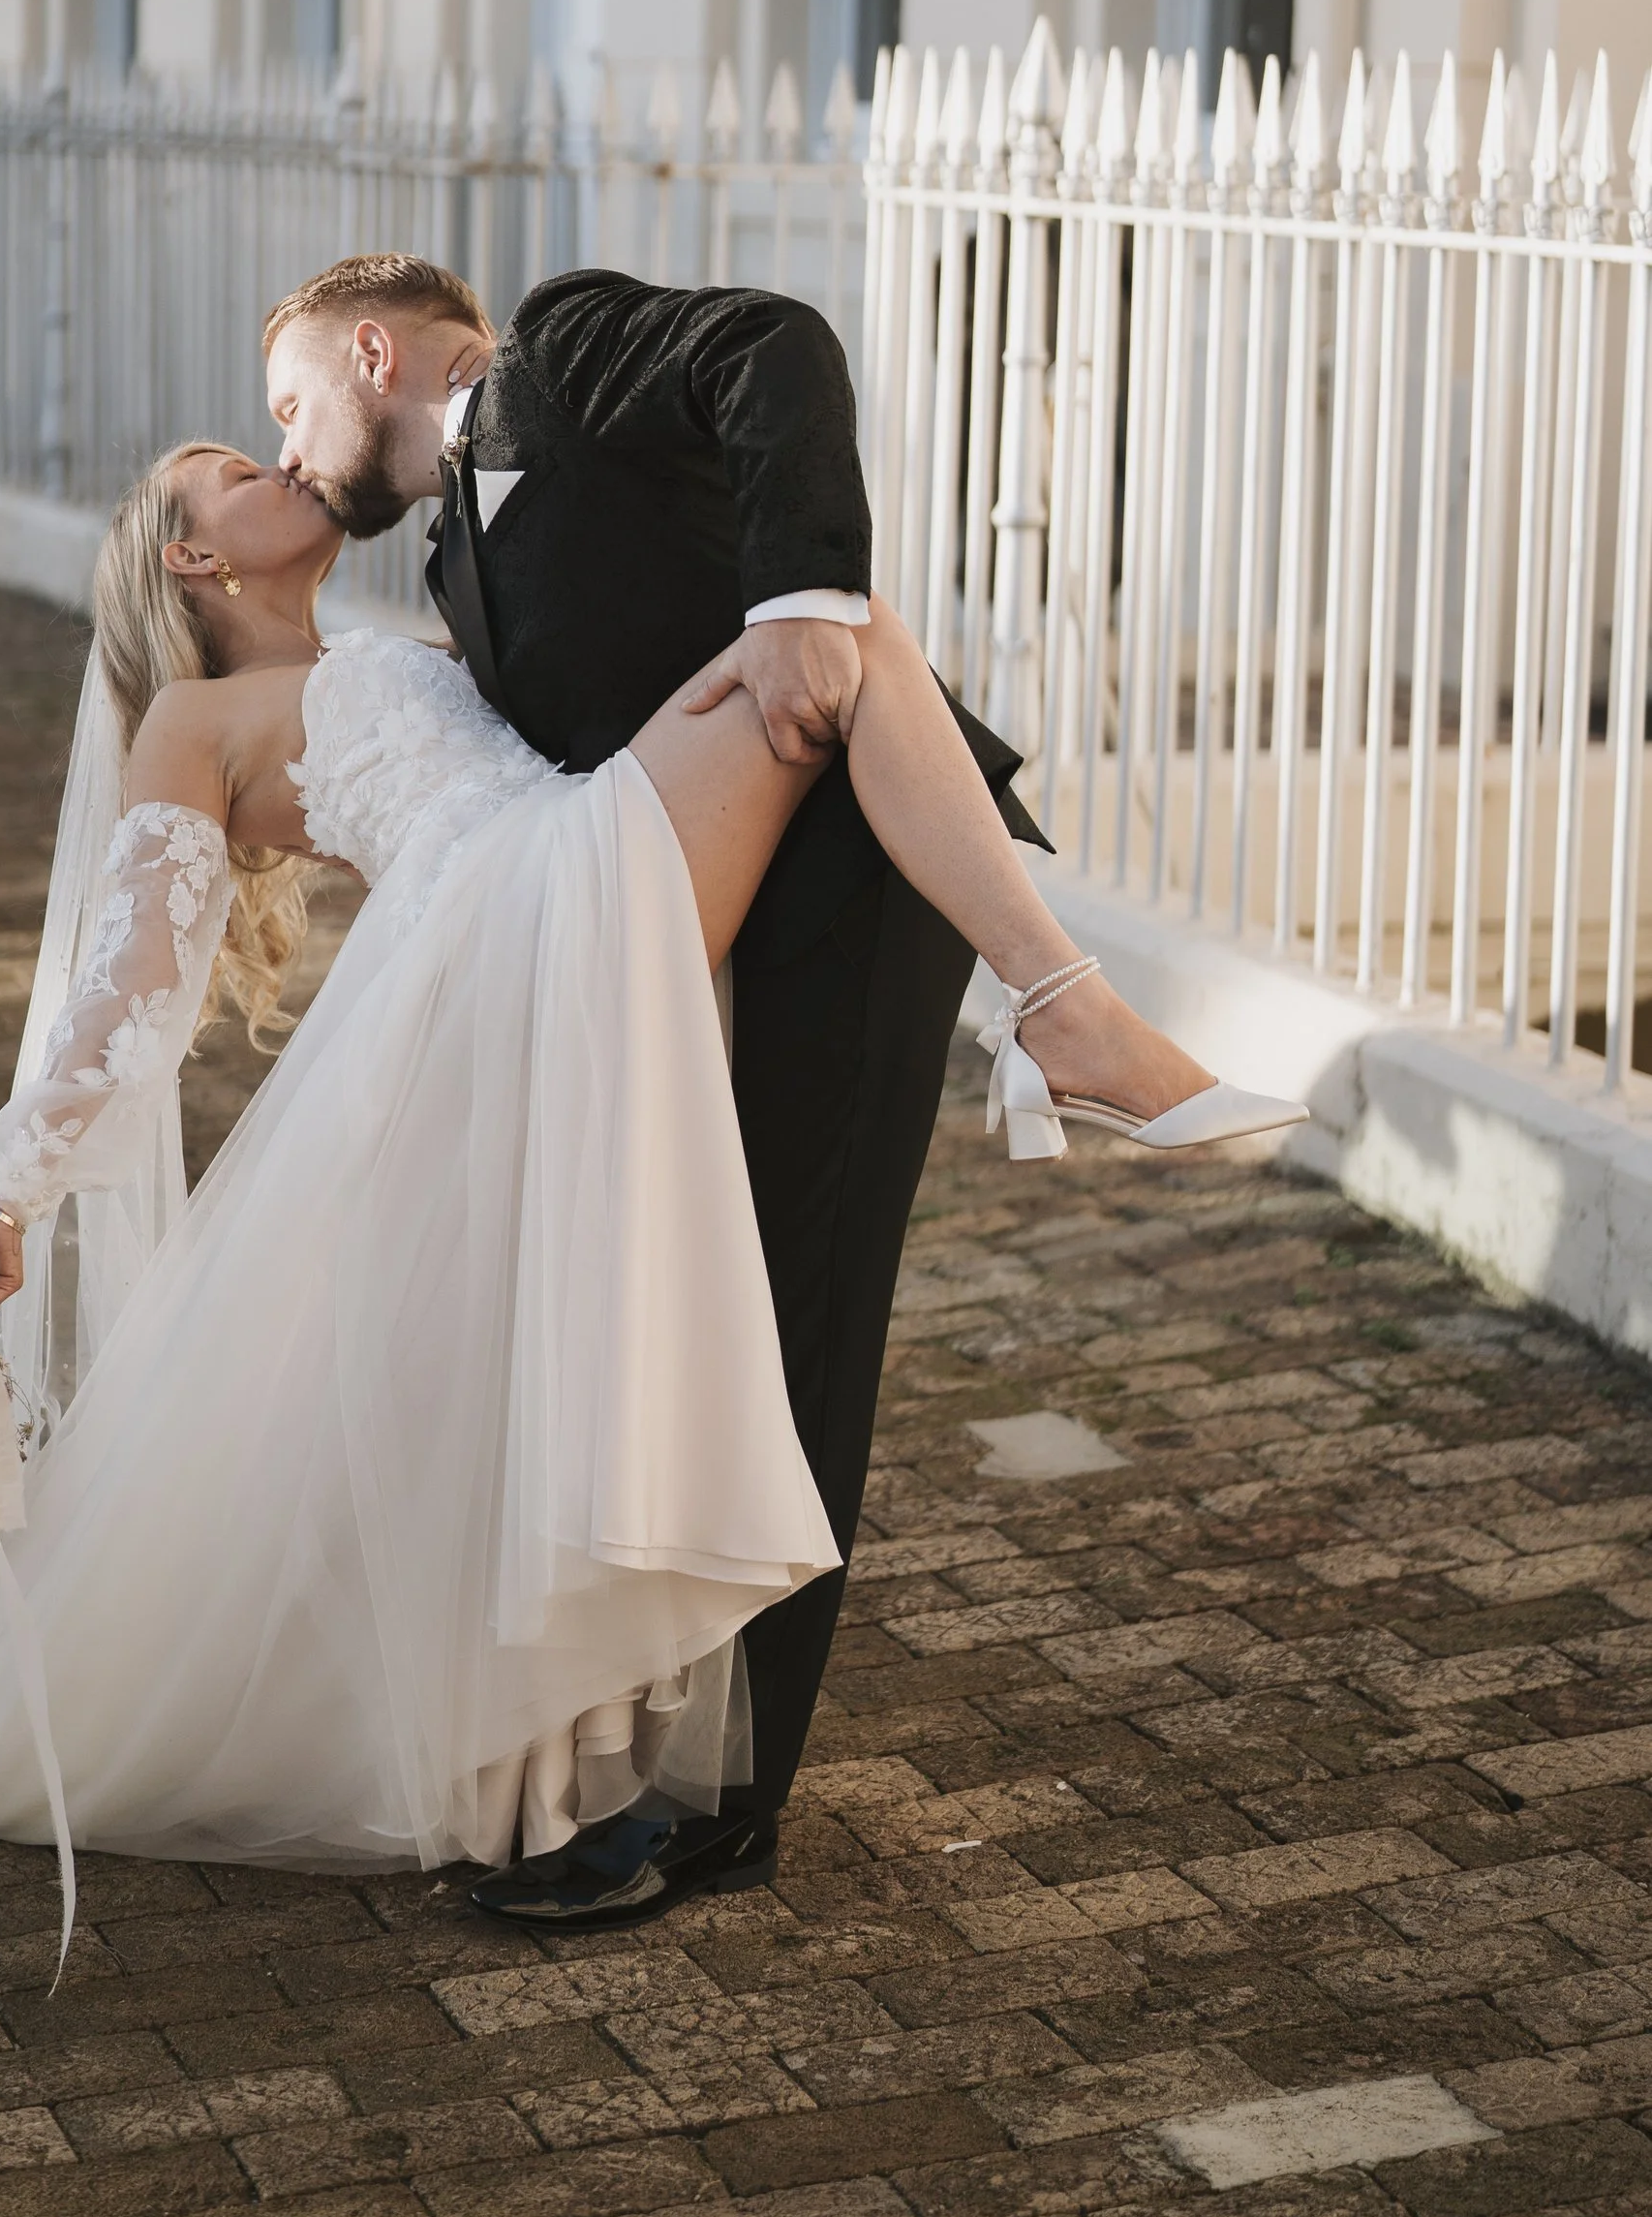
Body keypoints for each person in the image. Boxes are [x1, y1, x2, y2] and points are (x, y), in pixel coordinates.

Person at [0, 392, 1291, 1934]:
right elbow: (129, 991)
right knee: (831, 630)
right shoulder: (192, 720)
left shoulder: (396, 633)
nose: (276, 468)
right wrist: (6, 1187)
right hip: (530, 916)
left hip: (532, 909)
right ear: (193, 552)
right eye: (233, 471)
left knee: (824, 642)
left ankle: (1056, 1014)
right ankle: (1066, 1014)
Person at [261, 254, 1296, 1924]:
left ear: (370, 347)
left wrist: (805, 594)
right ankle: (637, 1749)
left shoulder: (561, 351)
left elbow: (776, 345)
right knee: (706, 1314)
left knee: (801, 1304)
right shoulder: (452, 556)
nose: (293, 449)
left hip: (873, 887)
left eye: (291, 405)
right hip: (724, 938)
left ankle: (722, 1805)